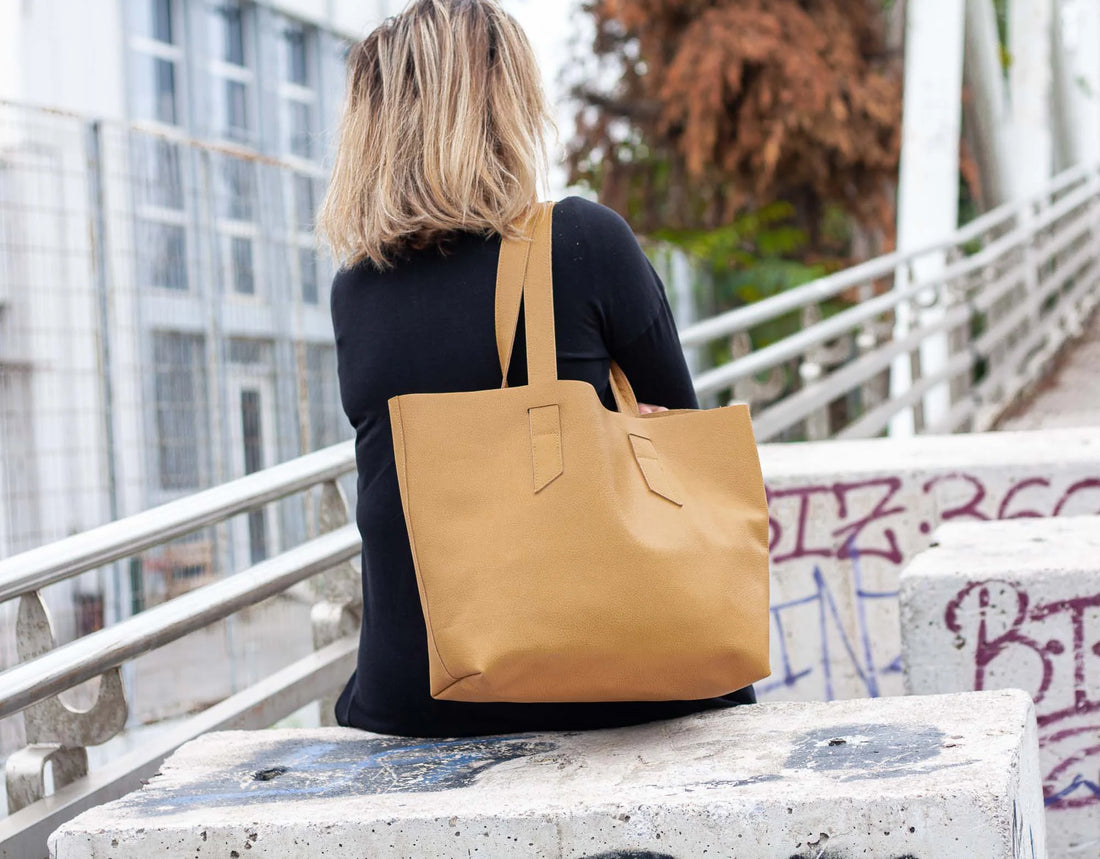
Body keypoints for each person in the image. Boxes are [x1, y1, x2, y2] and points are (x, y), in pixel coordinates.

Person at [316, 0, 757, 739]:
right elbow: (681, 444)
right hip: (610, 678)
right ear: (502, 107)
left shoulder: (356, 289)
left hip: (416, 696)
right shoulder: (581, 241)